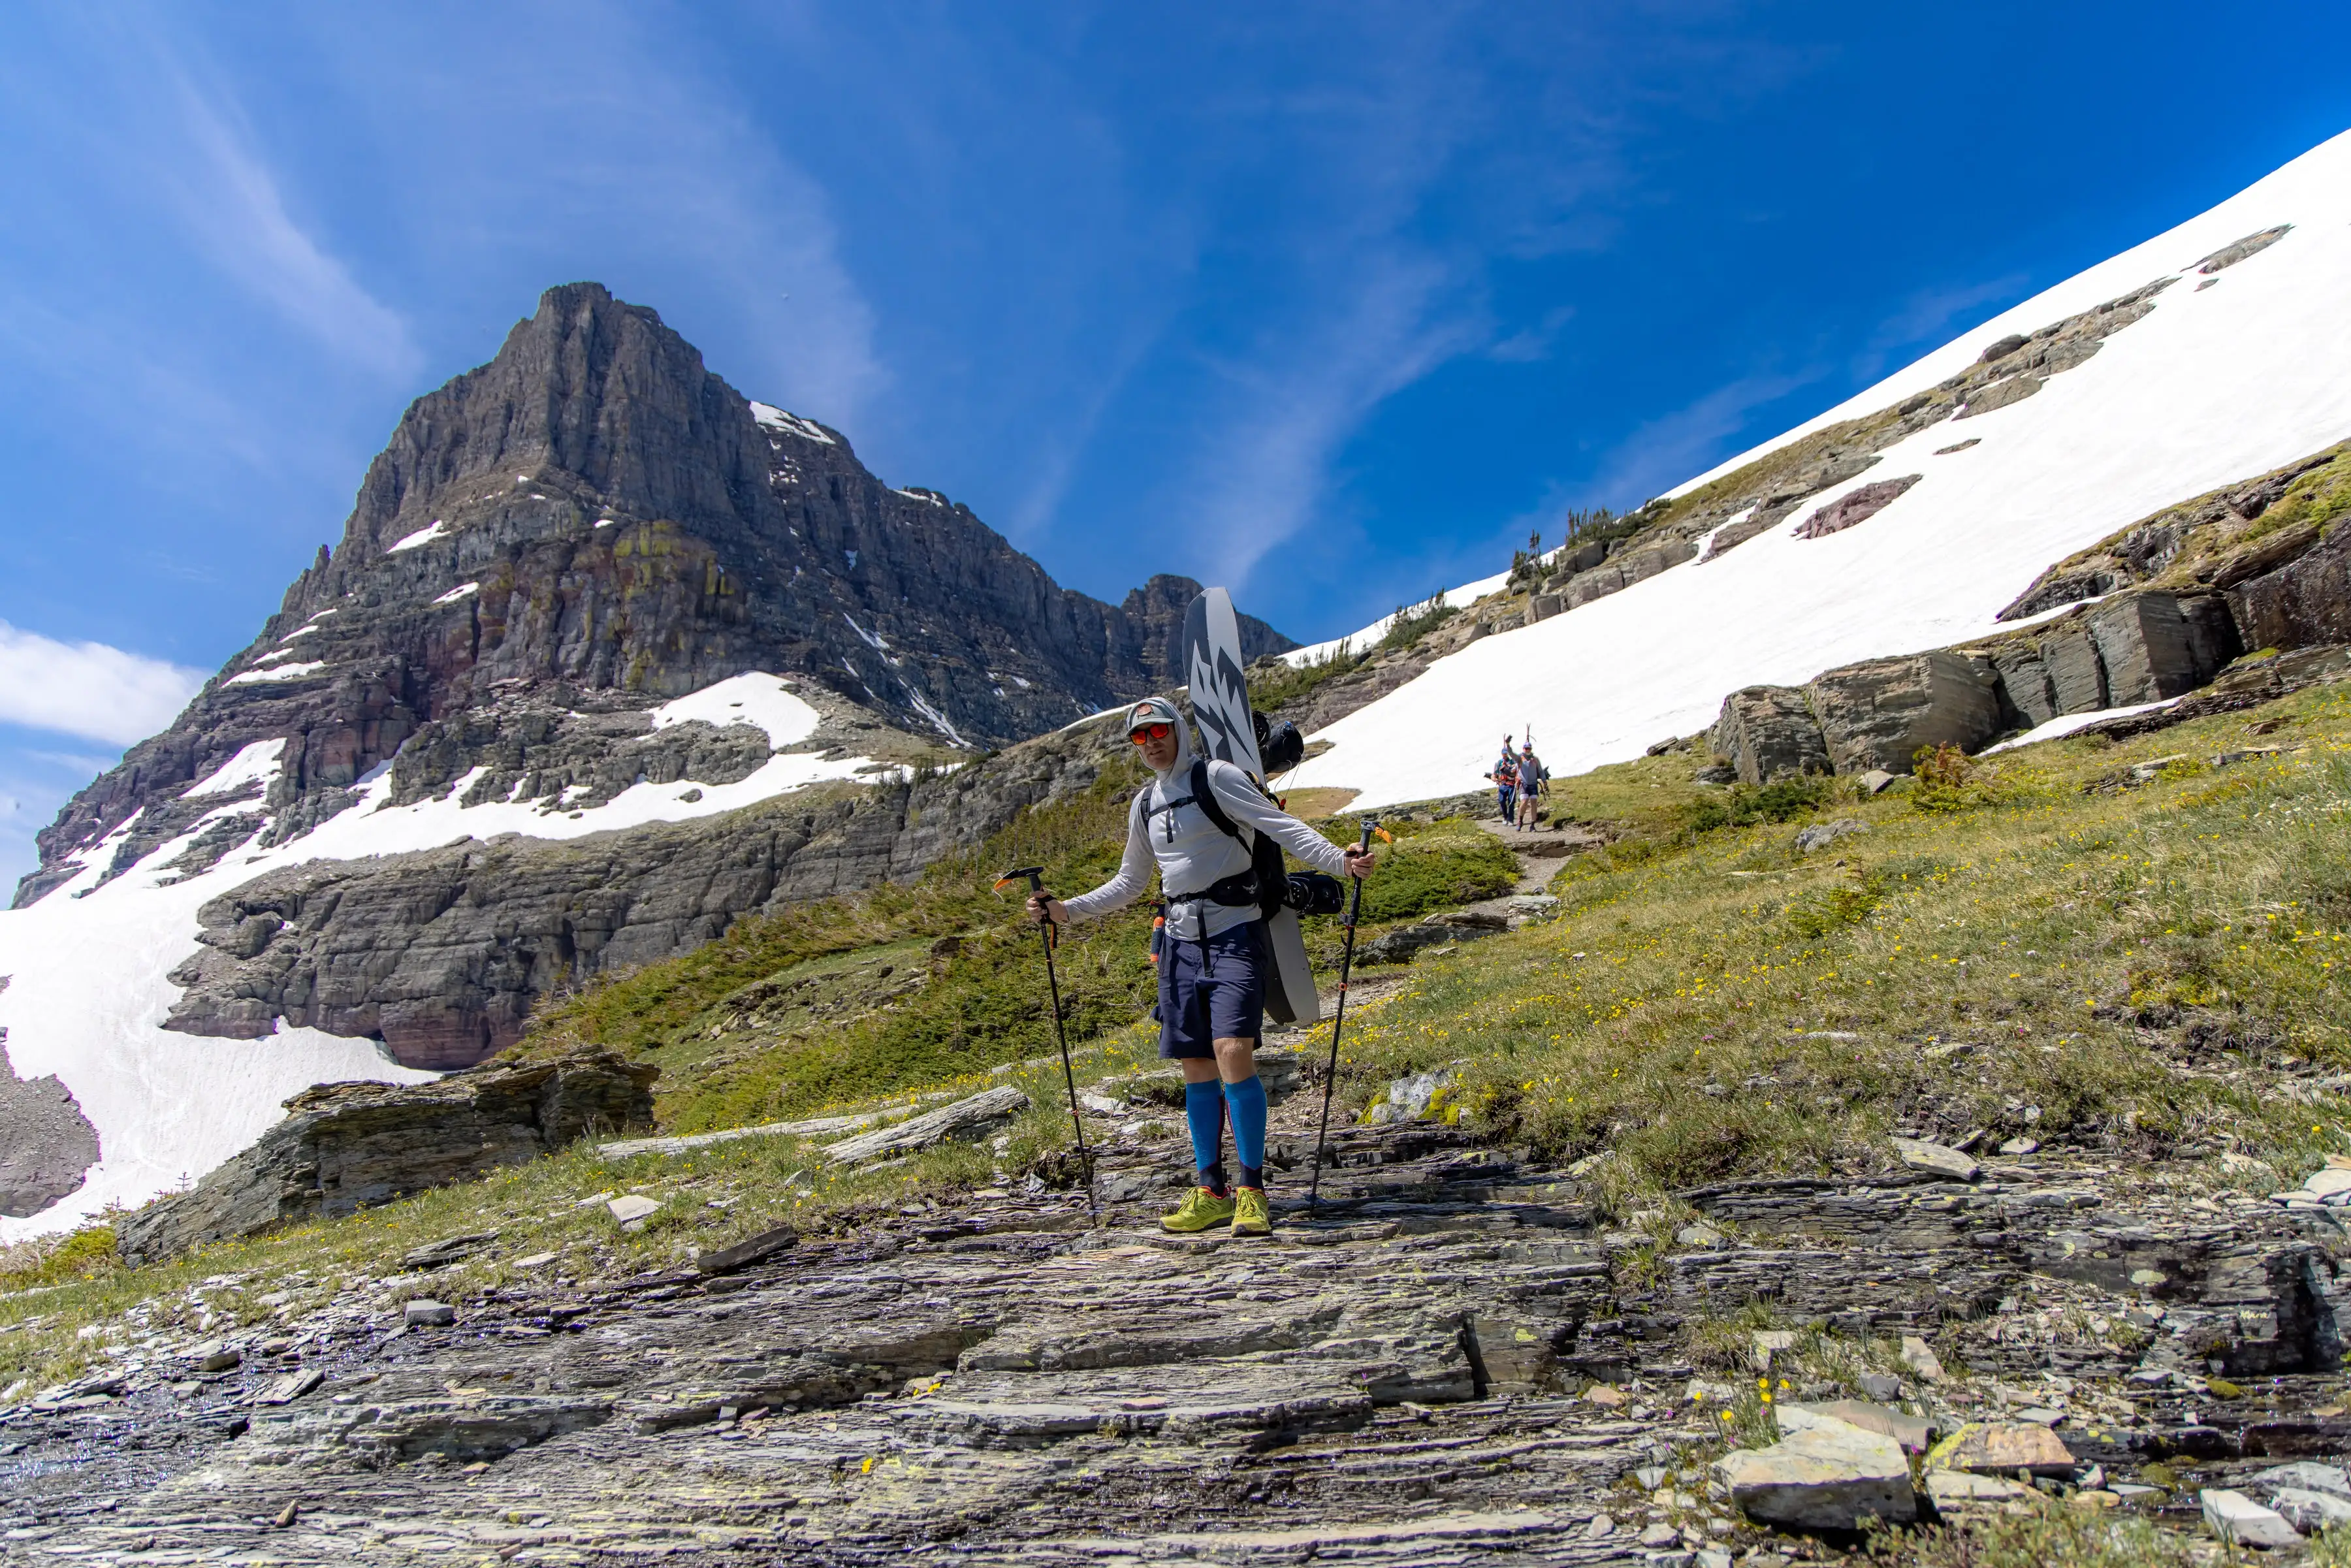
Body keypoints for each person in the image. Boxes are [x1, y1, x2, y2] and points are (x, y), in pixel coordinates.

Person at [1029, 696, 1376, 1238]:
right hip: (1180, 946)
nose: (1152, 743)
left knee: (1233, 1051)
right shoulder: (1144, 805)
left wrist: (1341, 859)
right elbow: (1130, 882)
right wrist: (1064, 911)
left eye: (1160, 731)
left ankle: (1252, 1190)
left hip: (1236, 934)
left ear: (1179, 731)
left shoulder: (1217, 778)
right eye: (1140, 737)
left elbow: (1279, 825)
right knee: (1195, 1065)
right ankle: (1211, 1189)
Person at [1515, 740, 1546, 830]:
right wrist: (1508, 745)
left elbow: (1540, 770)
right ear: (1523, 749)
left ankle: (1532, 824)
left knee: (1534, 803)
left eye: (1529, 748)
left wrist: (1544, 781)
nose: (1528, 750)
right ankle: (1520, 820)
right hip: (1524, 784)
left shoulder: (1535, 759)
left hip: (1533, 784)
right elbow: (1511, 753)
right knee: (1524, 802)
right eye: (1526, 748)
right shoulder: (1520, 758)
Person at [1489, 736, 1518, 823]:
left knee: (1511, 802)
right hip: (1502, 784)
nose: (1505, 755)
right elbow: (1495, 774)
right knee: (1502, 801)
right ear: (1502, 754)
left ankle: (1511, 819)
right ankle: (1505, 817)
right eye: (1504, 753)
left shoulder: (1512, 762)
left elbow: (1516, 769)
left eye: (1506, 753)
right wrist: (1494, 778)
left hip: (1511, 784)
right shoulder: (1499, 763)